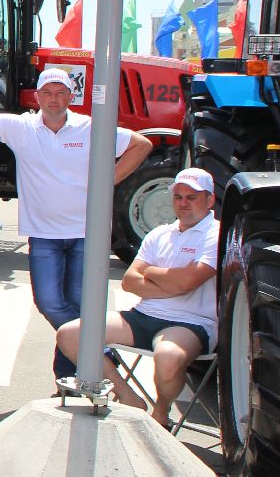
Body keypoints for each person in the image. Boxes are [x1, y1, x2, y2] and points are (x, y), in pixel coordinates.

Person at [0, 67, 153, 380]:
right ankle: (100, 352)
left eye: (60, 93)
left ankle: (67, 378)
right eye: (47, 93)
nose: (54, 99)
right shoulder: (23, 128)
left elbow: (141, 144)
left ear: (71, 96)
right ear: (38, 96)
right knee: (49, 303)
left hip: (88, 233)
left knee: (78, 308)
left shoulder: (90, 128)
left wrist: (107, 181)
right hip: (44, 235)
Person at [54, 167, 218, 425]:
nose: (183, 203)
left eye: (192, 197)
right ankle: (129, 397)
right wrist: (173, 284)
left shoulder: (216, 234)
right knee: (70, 334)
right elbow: (130, 281)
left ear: (210, 200)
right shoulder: (159, 233)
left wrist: (151, 272)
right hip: (144, 315)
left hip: (191, 321)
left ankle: (161, 413)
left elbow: (189, 281)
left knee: (168, 358)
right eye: (178, 197)